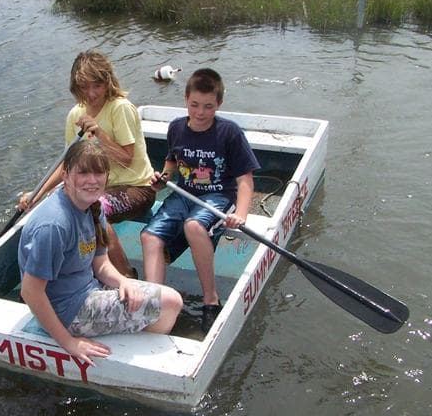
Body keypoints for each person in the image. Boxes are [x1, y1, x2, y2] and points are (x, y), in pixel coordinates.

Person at [18, 140, 183, 366]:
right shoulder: (54, 225)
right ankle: (137, 362)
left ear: (107, 176)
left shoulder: (92, 206)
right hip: (66, 311)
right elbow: (30, 291)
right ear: (65, 175)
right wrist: (68, 342)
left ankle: (131, 340)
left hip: (88, 289)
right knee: (171, 303)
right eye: (83, 172)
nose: (92, 180)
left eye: (98, 173)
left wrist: (123, 281)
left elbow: (101, 263)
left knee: (161, 298)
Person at [140, 68, 260, 333]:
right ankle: (154, 305)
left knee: (194, 226)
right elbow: (172, 162)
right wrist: (163, 178)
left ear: (219, 103)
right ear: (185, 99)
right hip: (184, 194)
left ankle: (210, 300)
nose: (200, 112)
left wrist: (240, 214)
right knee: (149, 236)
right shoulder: (176, 127)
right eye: (194, 105)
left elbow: (245, 180)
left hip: (219, 196)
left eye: (208, 106)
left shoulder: (229, 132)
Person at [19, 50, 156, 279]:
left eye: (97, 86)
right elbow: (68, 163)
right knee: (59, 204)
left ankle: (126, 276)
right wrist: (37, 194)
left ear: (107, 82)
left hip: (137, 188)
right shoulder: (75, 114)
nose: (91, 94)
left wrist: (99, 133)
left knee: (94, 208)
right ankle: (72, 269)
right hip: (97, 186)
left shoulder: (119, 108)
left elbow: (126, 159)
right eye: (84, 87)